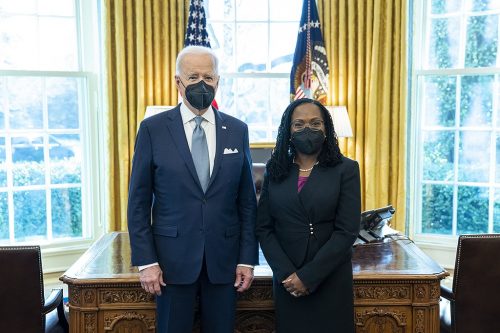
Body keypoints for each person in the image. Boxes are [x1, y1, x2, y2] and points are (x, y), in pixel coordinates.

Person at [127, 45, 258, 333]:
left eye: (208, 77)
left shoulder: (237, 130)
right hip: (170, 264)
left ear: (218, 81)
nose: (202, 83)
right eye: (194, 76)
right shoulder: (153, 129)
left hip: (224, 264)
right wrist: (146, 261)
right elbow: (138, 202)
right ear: (178, 82)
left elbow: (247, 202)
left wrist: (247, 258)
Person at [256, 98, 361, 333]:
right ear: (288, 131)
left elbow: (347, 231)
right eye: (299, 124)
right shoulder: (275, 169)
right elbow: (264, 228)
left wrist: (309, 276)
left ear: (327, 129)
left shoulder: (346, 169)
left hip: (329, 277)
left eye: (315, 124)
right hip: (288, 280)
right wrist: (287, 275)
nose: (308, 130)